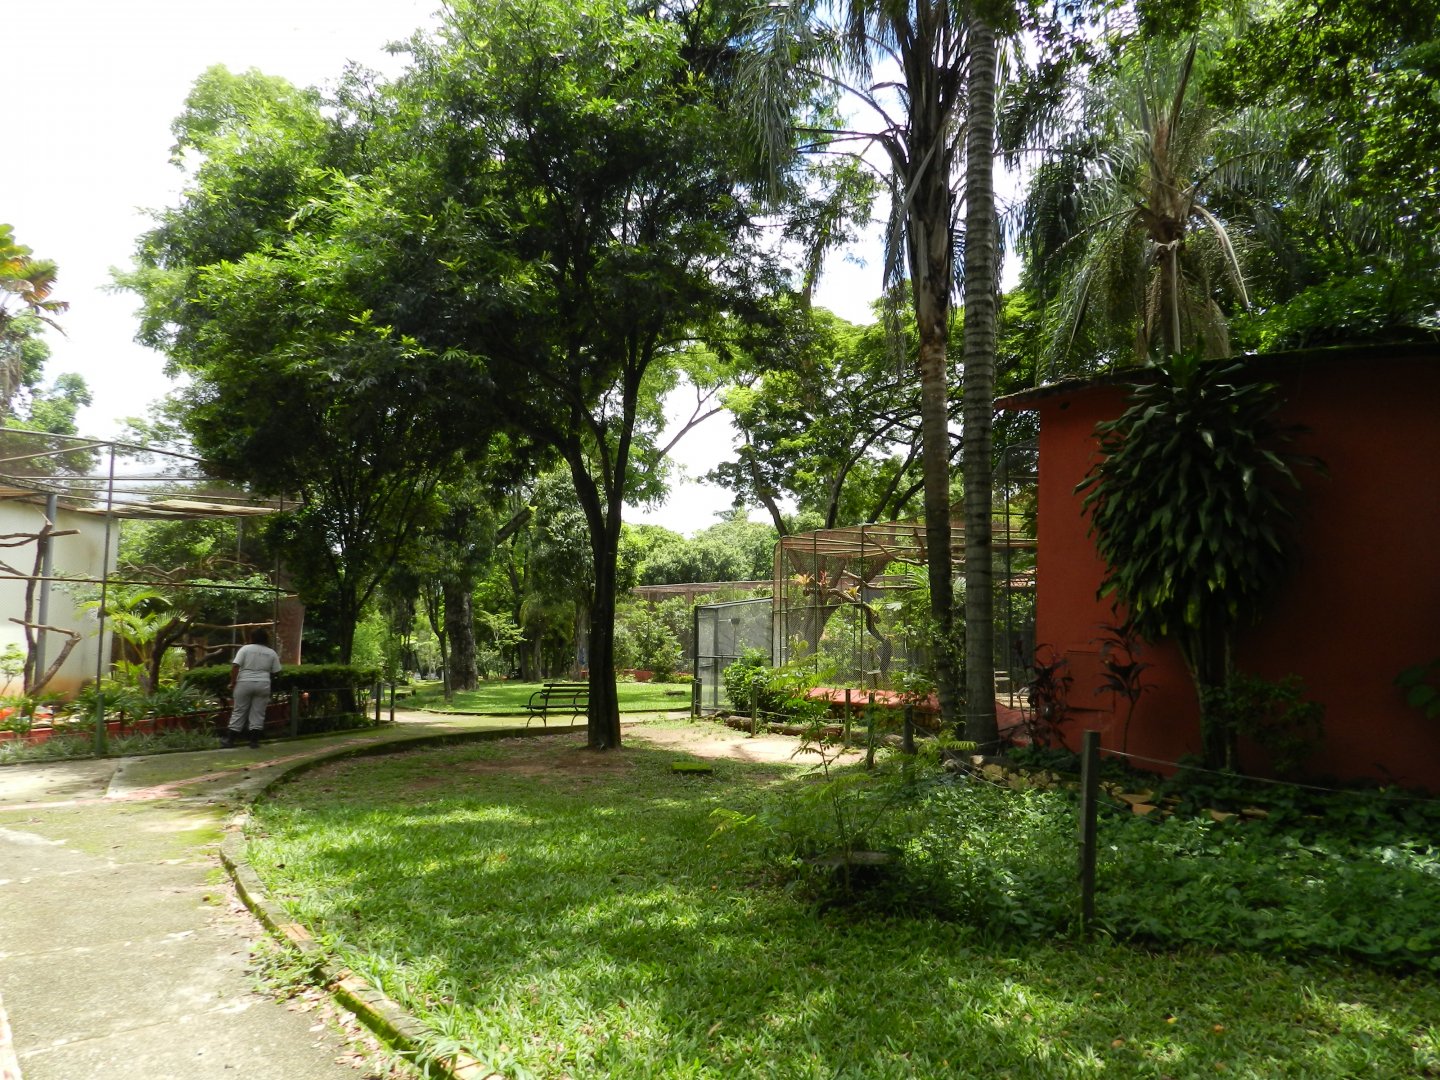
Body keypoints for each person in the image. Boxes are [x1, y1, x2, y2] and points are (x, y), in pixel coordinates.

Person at [224, 628, 282, 749]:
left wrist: (232, 682)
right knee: (258, 712)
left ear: (251, 638)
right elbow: (276, 671)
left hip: (244, 682)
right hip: (263, 683)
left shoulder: (245, 649)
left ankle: (230, 740)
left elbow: (235, 666)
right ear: (266, 639)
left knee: (239, 711)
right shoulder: (271, 652)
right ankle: (254, 742)